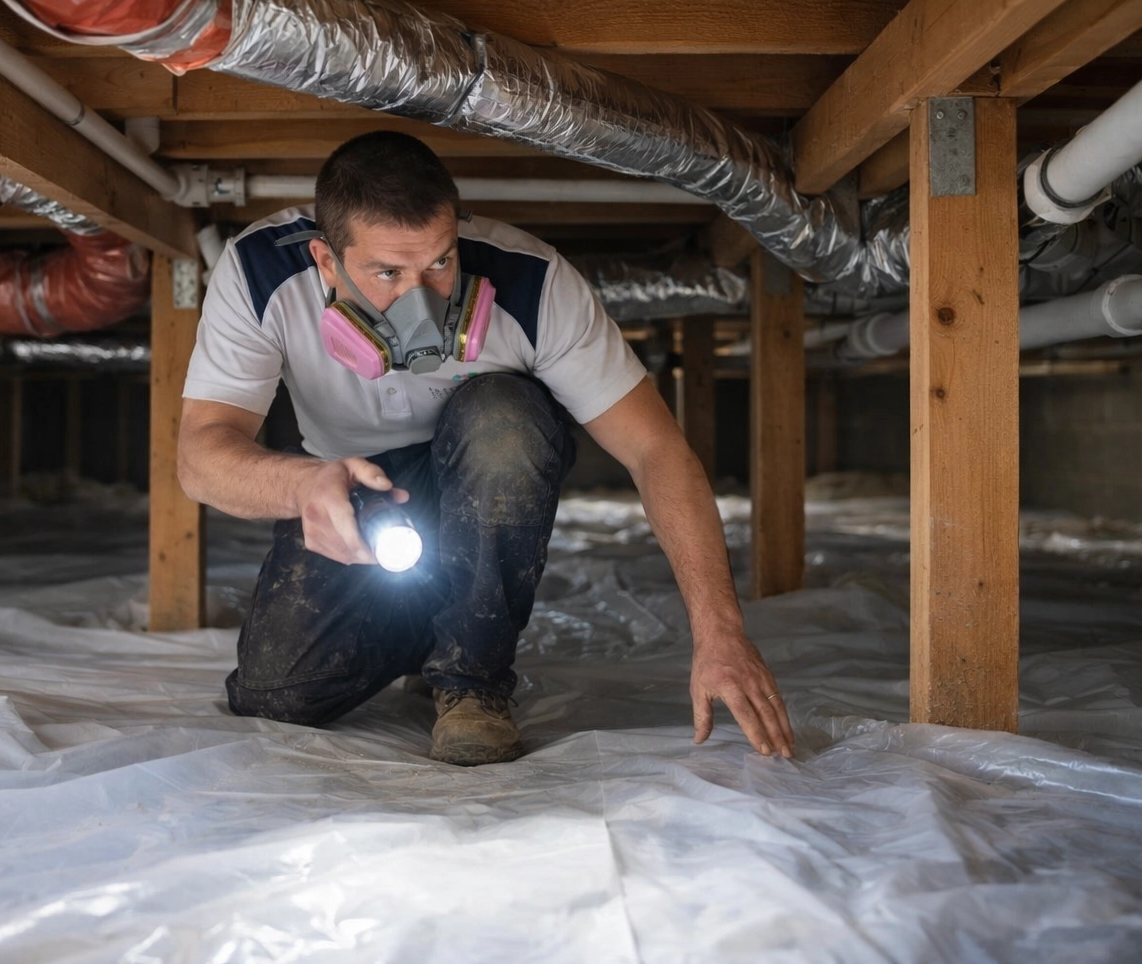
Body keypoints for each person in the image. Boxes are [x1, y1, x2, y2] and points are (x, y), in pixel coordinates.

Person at [177, 130, 793, 766]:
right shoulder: (261, 274)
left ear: (457, 230)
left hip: (487, 468)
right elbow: (200, 455)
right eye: (387, 272)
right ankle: (432, 622)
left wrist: (721, 632)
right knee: (279, 691)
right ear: (326, 262)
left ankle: (471, 683)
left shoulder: (535, 285)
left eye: (439, 264)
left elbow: (655, 450)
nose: (420, 300)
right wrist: (302, 485)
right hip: (353, 488)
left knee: (503, 416)